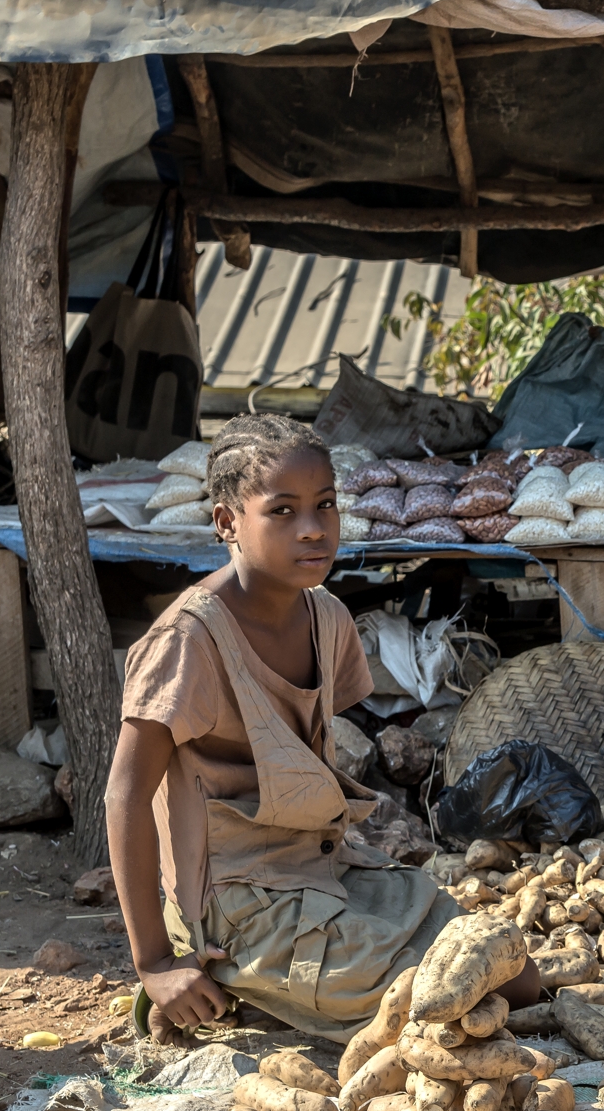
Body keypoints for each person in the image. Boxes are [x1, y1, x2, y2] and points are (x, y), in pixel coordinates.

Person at [106, 415, 536, 1044]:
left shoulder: (327, 617)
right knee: (437, 1007)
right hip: (239, 899)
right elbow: (125, 795)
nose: (313, 528)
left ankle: (274, 992)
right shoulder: (189, 641)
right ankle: (215, 981)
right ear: (227, 523)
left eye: (325, 505)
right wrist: (154, 965)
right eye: (281, 510)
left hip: (327, 866)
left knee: (511, 973)